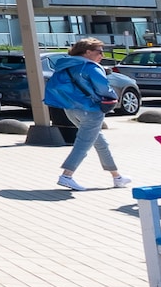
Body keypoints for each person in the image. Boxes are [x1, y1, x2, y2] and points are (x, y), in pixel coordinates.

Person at [48, 39, 127, 192]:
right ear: (87, 52)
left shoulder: (67, 64)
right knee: (83, 144)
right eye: (99, 51)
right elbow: (104, 87)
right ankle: (67, 175)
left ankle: (116, 176)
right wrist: (112, 98)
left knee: (99, 142)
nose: (102, 55)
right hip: (91, 110)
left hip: (70, 109)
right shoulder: (90, 67)